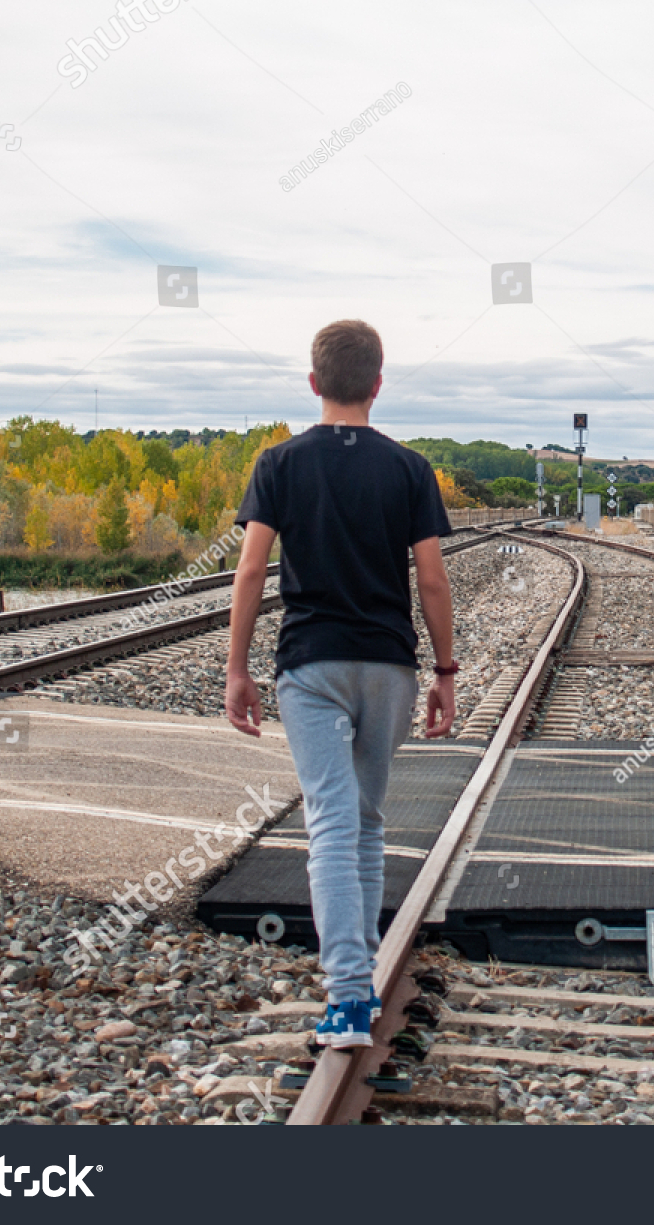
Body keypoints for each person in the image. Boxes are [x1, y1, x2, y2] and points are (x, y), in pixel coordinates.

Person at [224, 319, 457, 1050]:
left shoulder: (280, 463)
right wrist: (446, 671)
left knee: (330, 821)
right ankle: (356, 980)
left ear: (315, 383)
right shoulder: (410, 469)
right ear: (378, 385)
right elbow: (431, 580)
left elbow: (253, 570)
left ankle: (348, 997)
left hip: (312, 664)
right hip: (388, 663)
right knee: (364, 820)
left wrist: (237, 667)